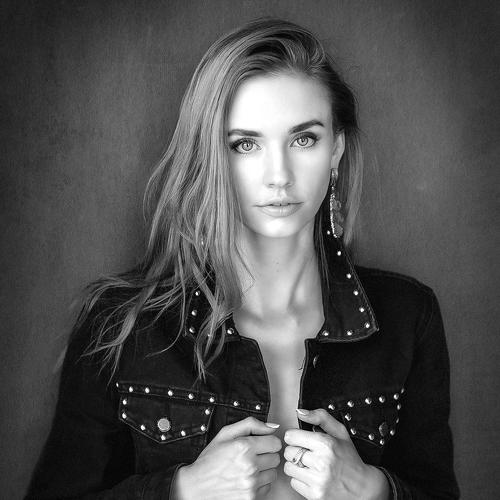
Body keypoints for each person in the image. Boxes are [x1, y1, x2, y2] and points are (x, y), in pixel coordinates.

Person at [26, 18, 459, 500]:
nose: (279, 175)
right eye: (246, 144)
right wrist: (182, 489)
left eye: (304, 139)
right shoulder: (120, 326)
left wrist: (373, 489)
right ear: (212, 154)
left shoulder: (407, 318)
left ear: (336, 148)